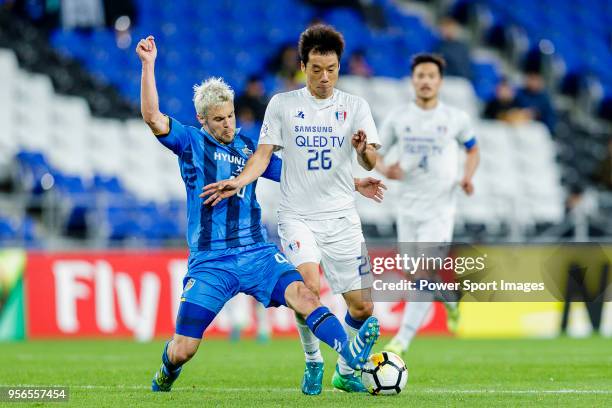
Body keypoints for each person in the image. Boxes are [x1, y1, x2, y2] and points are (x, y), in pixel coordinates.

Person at [136, 35, 381, 393]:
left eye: (231, 115)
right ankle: (166, 369)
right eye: (218, 119)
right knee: (184, 349)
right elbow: (152, 117)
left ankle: (349, 353)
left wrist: (354, 181)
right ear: (202, 119)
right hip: (211, 261)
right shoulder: (188, 141)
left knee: (306, 294)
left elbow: (294, 172)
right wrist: (148, 65)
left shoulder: (249, 147)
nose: (227, 124)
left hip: (257, 252)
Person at [375, 53, 480, 356]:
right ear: (413, 80)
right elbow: (376, 153)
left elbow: (473, 151)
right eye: (420, 75)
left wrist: (467, 176)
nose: (425, 81)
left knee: (422, 273)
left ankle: (401, 341)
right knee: (415, 274)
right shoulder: (398, 118)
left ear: (439, 81)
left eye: (431, 76)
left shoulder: (455, 119)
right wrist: (385, 170)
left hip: (440, 208)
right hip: (407, 207)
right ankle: (449, 297)